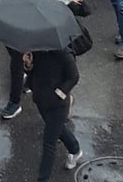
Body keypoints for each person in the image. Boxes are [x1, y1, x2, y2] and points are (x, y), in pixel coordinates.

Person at [25, 47, 82, 181]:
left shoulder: (63, 52)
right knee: (57, 128)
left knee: (49, 142)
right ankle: (75, 149)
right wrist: (28, 65)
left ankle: (43, 178)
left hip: (57, 106)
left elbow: (73, 76)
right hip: (41, 99)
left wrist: (60, 94)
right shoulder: (36, 50)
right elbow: (32, 73)